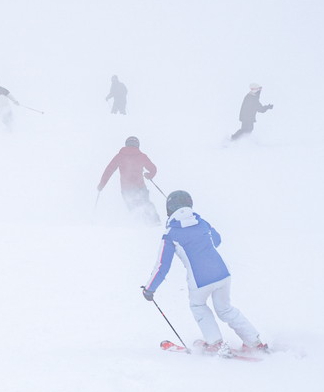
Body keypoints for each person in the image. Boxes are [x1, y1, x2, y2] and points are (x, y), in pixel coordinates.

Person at [142, 190, 266, 357]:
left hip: (200, 280)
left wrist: (149, 289)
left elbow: (162, 266)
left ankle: (215, 343)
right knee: (225, 308)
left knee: (198, 306)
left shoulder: (170, 234)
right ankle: (254, 342)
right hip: (223, 274)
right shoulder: (202, 222)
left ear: (169, 210)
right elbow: (217, 240)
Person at [97, 136, 158, 221]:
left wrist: (102, 184)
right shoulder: (141, 156)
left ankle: (139, 225)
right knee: (146, 205)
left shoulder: (119, 156)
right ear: (137, 145)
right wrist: (149, 175)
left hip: (126, 189)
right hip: (140, 187)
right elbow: (153, 169)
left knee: (133, 209)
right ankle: (154, 223)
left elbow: (108, 171)